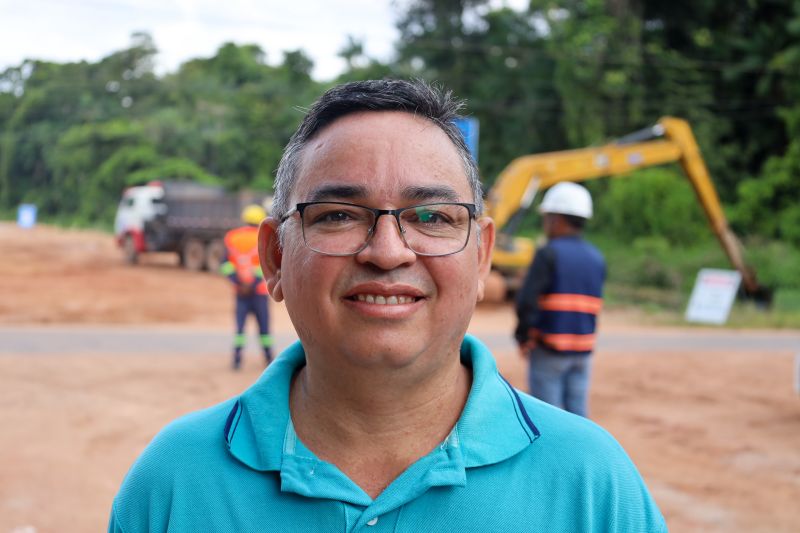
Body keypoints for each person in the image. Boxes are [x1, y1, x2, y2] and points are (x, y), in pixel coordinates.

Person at [108, 80, 665, 532]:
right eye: (338, 215)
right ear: (275, 257)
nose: (387, 252)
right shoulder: (174, 483)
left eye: (432, 218)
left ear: (482, 257)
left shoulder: (592, 487)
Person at [515, 182, 606, 417]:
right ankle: (578, 455)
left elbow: (527, 301)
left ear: (556, 219)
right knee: (577, 418)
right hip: (582, 353)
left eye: (547, 218)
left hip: (550, 351)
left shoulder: (548, 253)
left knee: (548, 419)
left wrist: (523, 336)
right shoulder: (596, 258)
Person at [221, 204, 273, 369]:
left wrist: (237, 281)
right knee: (264, 329)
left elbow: (225, 264)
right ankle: (269, 359)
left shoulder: (231, 237)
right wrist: (253, 283)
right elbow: (266, 265)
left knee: (240, 329)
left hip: (240, 292)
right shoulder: (264, 237)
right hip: (258, 291)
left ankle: (236, 361)